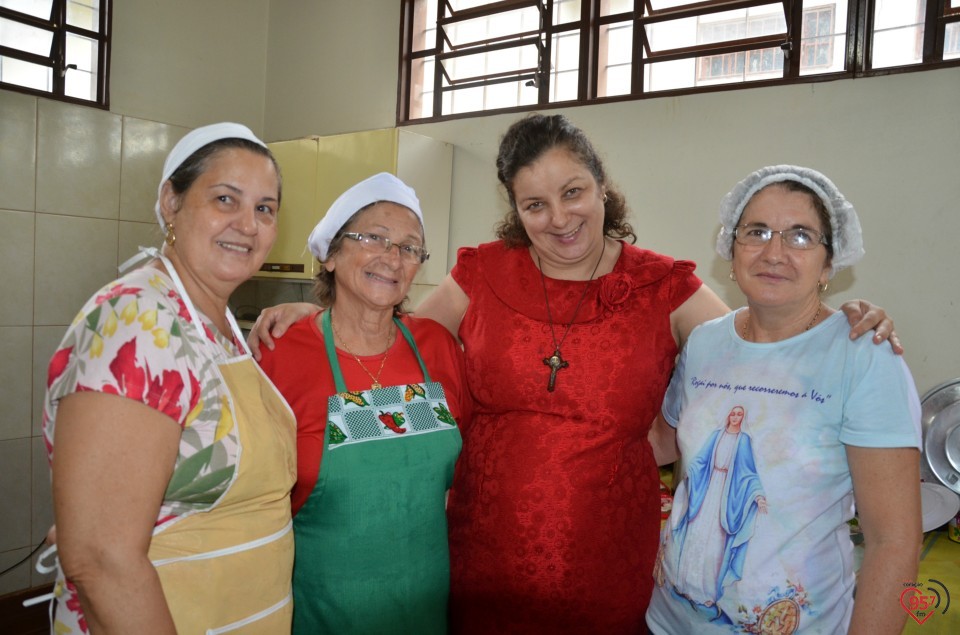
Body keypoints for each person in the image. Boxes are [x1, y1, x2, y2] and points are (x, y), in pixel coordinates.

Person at [247, 115, 898, 633]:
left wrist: (836, 321)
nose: (558, 218)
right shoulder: (483, 274)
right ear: (514, 209)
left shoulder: (659, 284)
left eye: (573, 192)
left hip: (606, 574)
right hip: (478, 569)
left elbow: (759, 345)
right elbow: (397, 331)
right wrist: (321, 307)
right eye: (534, 204)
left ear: (601, 186)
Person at [41, 123, 296, 634]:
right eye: (226, 199)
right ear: (171, 202)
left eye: (264, 208)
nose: (248, 224)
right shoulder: (137, 322)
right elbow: (100, 560)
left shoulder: (217, 324)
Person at [647, 165, 921, 634]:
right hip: (667, 621)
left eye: (800, 236)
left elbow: (894, 542)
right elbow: (668, 448)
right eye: (756, 232)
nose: (774, 252)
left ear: (830, 263)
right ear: (730, 250)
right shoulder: (706, 343)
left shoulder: (862, 355)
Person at [256, 172, 469, 634]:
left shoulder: (436, 347)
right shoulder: (282, 355)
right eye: (373, 238)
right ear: (331, 255)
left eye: (410, 247)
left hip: (426, 609)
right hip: (321, 611)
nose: (393, 258)